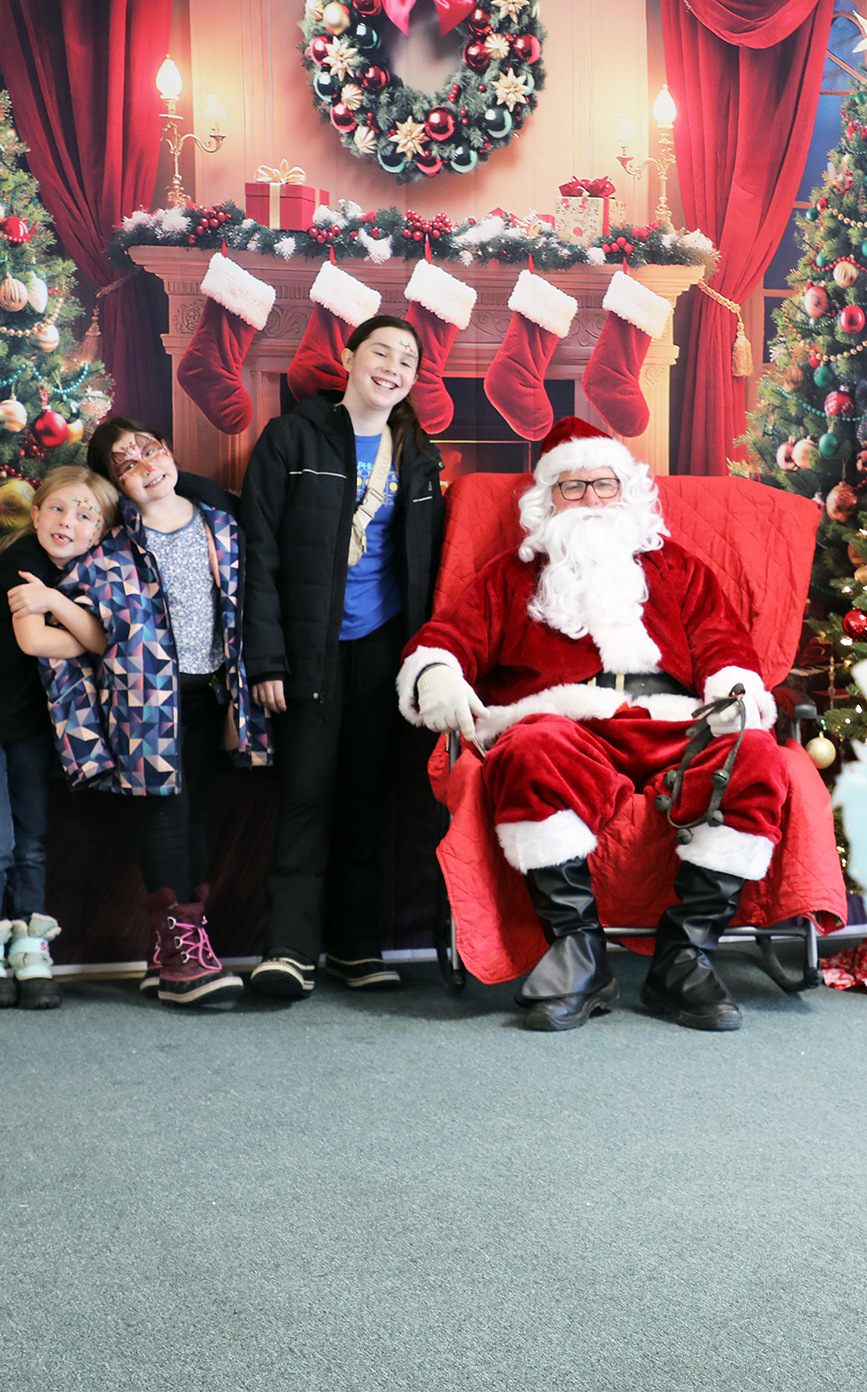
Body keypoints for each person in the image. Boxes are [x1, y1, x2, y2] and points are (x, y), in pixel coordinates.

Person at [397, 417, 790, 1033]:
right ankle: (578, 950)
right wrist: (438, 674)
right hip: (567, 727)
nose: (589, 500)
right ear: (546, 500)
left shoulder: (678, 569)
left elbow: (723, 645)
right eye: (571, 488)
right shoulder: (511, 575)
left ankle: (685, 956)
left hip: (675, 726)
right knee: (529, 749)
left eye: (602, 485)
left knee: (758, 756)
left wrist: (734, 691)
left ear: (626, 492)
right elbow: (448, 639)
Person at [240, 314, 448, 1001]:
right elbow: (260, 555)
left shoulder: (417, 452)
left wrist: (427, 663)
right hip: (308, 649)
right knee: (305, 795)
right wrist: (266, 660)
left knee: (365, 797)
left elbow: (430, 563)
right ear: (351, 358)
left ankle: (355, 947)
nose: (393, 367)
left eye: (408, 361)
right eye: (381, 352)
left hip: (385, 649)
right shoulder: (293, 436)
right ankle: (290, 949)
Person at [57, 419, 270, 1009]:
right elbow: (82, 627)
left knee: (197, 811)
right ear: (115, 486)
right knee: (163, 811)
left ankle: (175, 947)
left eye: (150, 451)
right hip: (146, 700)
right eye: (126, 464)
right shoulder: (111, 550)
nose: (145, 465)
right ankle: (180, 950)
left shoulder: (222, 526)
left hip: (210, 692)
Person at [0, 466, 118, 1010]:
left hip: (28, 725)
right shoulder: (21, 566)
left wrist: (90, 628)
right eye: (59, 508)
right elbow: (41, 641)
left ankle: (29, 950)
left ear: (99, 534)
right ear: (36, 514)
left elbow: (101, 632)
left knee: (33, 840)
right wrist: (97, 641)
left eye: (87, 515)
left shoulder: (82, 575)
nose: (69, 521)